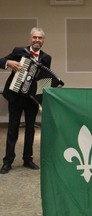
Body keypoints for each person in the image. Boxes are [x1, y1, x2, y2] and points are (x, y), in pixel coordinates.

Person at [0, 27, 51, 174]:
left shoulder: (46, 58)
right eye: (34, 37)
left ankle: (27, 159)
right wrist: (9, 63)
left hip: (31, 99)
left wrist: (43, 97)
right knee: (12, 129)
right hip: (15, 97)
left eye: (40, 38)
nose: (37, 40)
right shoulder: (19, 52)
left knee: (30, 130)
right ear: (30, 39)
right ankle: (7, 161)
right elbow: (1, 60)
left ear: (43, 41)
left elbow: (44, 79)